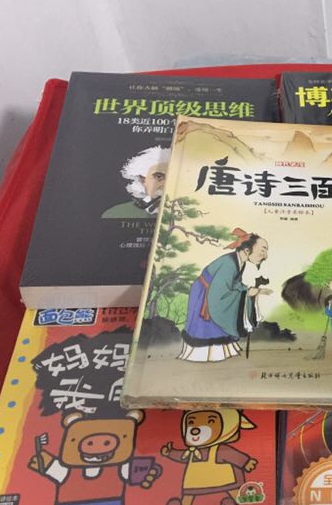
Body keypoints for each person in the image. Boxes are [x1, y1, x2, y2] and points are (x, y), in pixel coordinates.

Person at [178, 229, 272, 362]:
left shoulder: (240, 262)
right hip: (206, 294)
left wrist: (251, 291)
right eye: (262, 250)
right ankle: (203, 355)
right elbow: (220, 293)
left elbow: (234, 285)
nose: (265, 256)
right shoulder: (229, 264)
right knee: (205, 327)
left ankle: (221, 352)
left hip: (213, 291)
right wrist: (247, 293)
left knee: (218, 325)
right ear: (247, 250)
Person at [102, 146, 169, 218]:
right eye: (159, 177)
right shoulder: (116, 214)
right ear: (142, 180)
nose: (166, 184)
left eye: (172, 177)